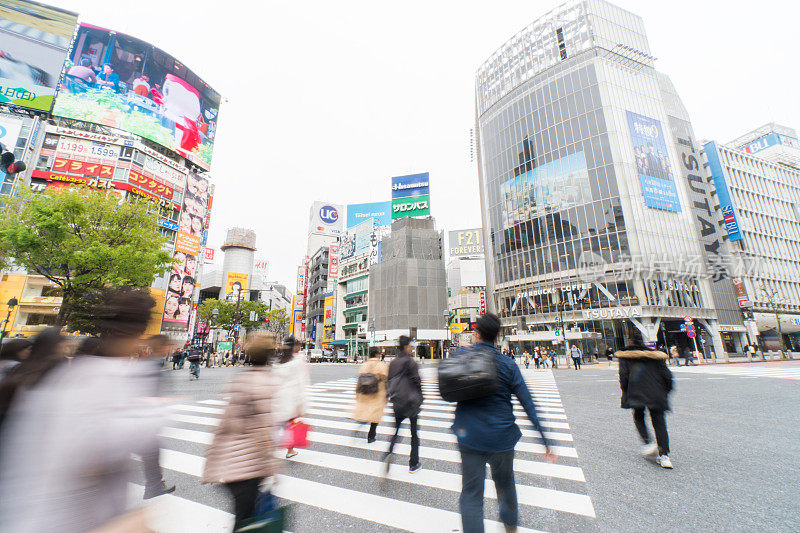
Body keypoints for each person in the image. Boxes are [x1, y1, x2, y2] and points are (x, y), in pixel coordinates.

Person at [0, 290, 166, 532]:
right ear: (139, 331)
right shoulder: (109, 377)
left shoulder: (62, 373)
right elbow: (104, 441)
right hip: (62, 518)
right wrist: (159, 410)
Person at [452, 314, 557, 533]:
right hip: (502, 437)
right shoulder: (508, 364)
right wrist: (545, 439)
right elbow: (528, 403)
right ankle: (510, 529)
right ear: (497, 336)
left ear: (477, 334)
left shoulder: (464, 358)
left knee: (471, 495)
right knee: (506, 487)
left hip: (469, 436)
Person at [202, 333, 280, 528]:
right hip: (250, 467)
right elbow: (264, 433)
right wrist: (272, 467)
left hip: (230, 466)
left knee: (243, 519)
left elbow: (223, 426)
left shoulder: (240, 380)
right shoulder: (265, 383)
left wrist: (210, 465)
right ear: (270, 355)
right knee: (245, 522)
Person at [617, 334, 674, 469]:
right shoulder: (656, 356)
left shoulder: (626, 357)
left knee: (638, 416)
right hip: (657, 393)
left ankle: (648, 443)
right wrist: (665, 391)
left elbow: (623, 377)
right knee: (660, 423)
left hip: (636, 392)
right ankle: (664, 455)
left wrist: (626, 391)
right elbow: (667, 376)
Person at [383, 335, 423, 475]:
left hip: (397, 401)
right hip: (411, 402)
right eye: (411, 346)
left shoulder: (393, 362)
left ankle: (389, 452)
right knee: (414, 434)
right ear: (406, 346)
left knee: (396, 430)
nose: (412, 348)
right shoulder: (411, 362)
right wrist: (421, 398)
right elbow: (417, 381)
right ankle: (413, 463)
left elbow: (388, 382)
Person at [273, 335, 309, 458]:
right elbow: (301, 383)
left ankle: (271, 448)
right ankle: (290, 450)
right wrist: (302, 404)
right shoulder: (298, 361)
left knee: (279, 424)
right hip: (291, 399)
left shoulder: (278, 361)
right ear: (295, 347)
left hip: (278, 398)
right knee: (289, 425)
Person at [352, 347, 389, 443]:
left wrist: (357, 392)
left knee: (366, 410)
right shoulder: (381, 365)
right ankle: (371, 435)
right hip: (377, 393)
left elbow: (359, 379)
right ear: (377, 355)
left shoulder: (364, 365)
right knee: (375, 415)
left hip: (365, 392)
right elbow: (386, 379)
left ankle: (363, 421)